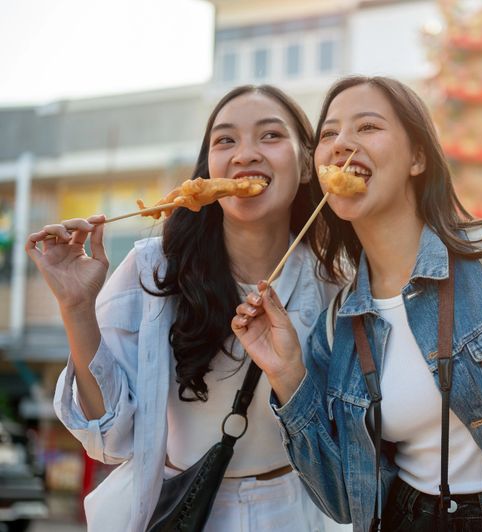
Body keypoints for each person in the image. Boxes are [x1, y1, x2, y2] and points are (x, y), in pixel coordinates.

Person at [232, 76, 482, 531]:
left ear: (418, 157)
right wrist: (287, 374)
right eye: (328, 134)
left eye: (367, 127)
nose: (341, 144)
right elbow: (345, 502)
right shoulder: (338, 326)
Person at [26, 85, 346, 532]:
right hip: (183, 508)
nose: (244, 155)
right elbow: (110, 439)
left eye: (270, 136)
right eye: (225, 140)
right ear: (207, 166)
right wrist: (76, 306)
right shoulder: (152, 268)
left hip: (301, 512)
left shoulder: (337, 282)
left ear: (309, 164)